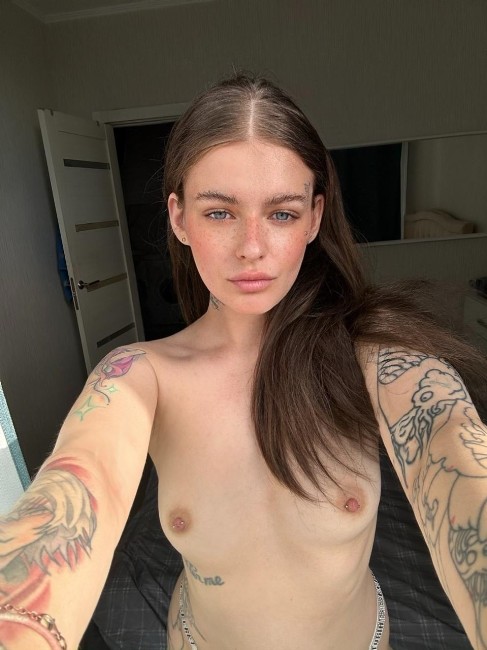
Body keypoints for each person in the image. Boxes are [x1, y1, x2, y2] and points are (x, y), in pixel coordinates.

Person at [1, 73, 487, 650]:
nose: (252, 247)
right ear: (179, 218)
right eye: (219, 213)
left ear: (314, 217)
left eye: (281, 214)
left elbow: (453, 446)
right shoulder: (139, 378)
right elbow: (71, 495)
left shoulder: (379, 360)